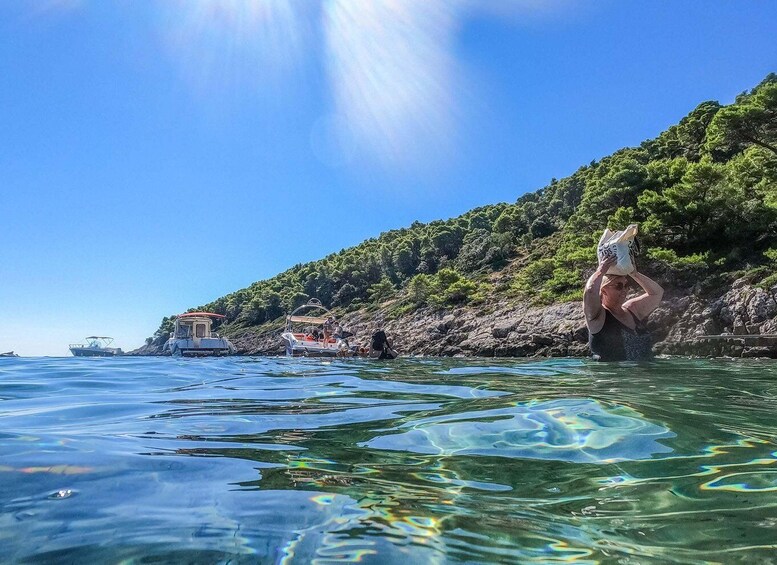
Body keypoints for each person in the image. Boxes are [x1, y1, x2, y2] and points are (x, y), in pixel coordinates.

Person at [583, 255, 663, 361]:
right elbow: (590, 291)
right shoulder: (598, 316)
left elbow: (657, 293)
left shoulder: (632, 309)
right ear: (603, 290)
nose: (624, 290)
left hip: (643, 375)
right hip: (614, 376)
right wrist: (600, 271)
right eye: (619, 286)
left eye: (626, 286)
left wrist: (634, 273)